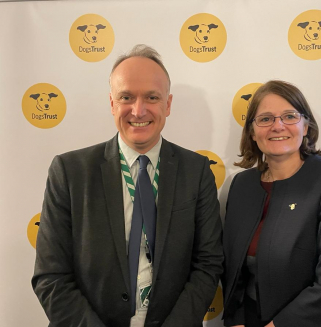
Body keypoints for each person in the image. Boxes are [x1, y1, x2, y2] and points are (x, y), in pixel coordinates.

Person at [32, 44, 223, 327]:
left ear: (167, 105)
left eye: (152, 97)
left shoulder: (197, 171)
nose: (138, 109)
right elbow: (51, 276)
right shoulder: (69, 172)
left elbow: (208, 265)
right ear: (112, 103)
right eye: (126, 97)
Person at [222, 80, 321, 327]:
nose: (278, 126)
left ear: (306, 126)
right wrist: (235, 319)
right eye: (265, 119)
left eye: (289, 116)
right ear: (252, 132)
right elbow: (234, 270)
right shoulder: (241, 186)